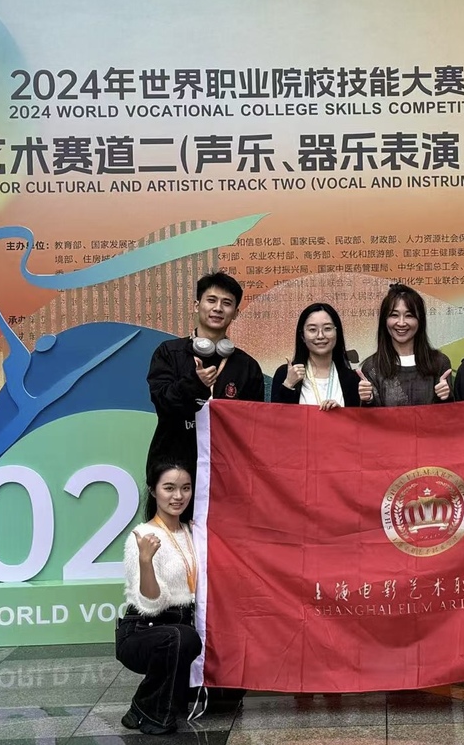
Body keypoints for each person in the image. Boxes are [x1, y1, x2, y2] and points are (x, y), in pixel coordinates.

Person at [146, 273, 264, 477]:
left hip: (227, 472)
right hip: (173, 467)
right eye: (211, 300)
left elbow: (254, 427)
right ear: (196, 305)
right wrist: (194, 384)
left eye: (226, 303)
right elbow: (162, 403)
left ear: (235, 313)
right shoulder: (169, 353)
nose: (218, 308)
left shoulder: (247, 366)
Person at [116, 461, 202, 735]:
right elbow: (150, 605)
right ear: (153, 491)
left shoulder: (193, 532)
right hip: (144, 629)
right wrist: (145, 561)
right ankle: (147, 710)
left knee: (187, 636)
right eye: (169, 488)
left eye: (185, 488)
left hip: (183, 626)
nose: (178, 496)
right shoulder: (143, 536)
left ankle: (156, 704)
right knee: (183, 637)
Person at [358, 284, 453, 406]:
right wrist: (368, 400)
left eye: (409, 315)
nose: (401, 323)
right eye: (394, 315)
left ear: (420, 321)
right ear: (384, 320)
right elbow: (370, 417)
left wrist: (445, 397)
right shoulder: (372, 367)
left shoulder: (439, 362)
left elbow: (449, 414)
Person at [271, 303, 361, 408]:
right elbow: (275, 415)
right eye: (312, 330)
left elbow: (357, 417)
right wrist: (288, 385)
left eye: (327, 328)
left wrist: (339, 413)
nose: (320, 336)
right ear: (302, 335)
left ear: (337, 333)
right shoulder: (286, 374)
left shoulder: (351, 379)